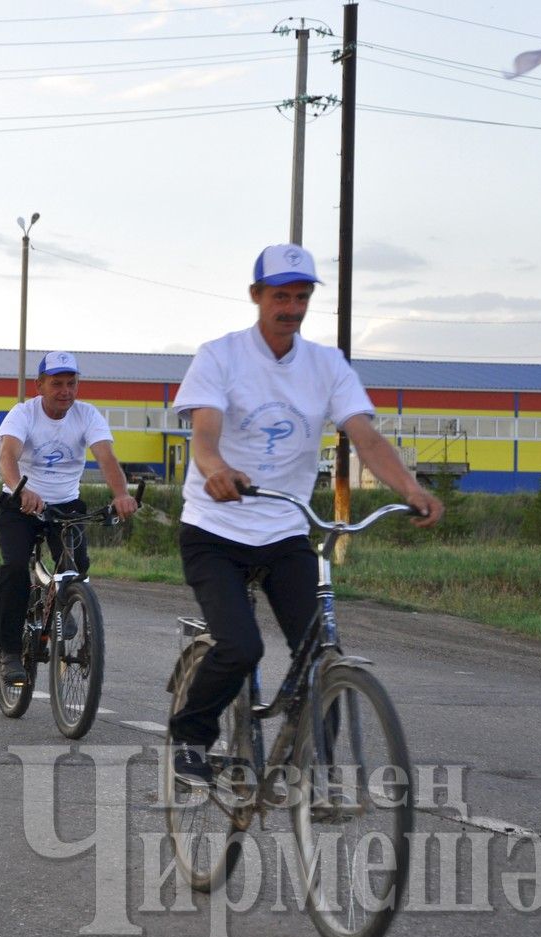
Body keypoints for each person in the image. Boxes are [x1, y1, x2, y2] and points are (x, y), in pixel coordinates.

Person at [166, 243, 444, 786]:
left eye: (301, 296)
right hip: (215, 529)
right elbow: (204, 433)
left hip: (284, 530)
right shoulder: (220, 356)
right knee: (242, 646)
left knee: (320, 655)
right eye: (280, 296)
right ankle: (192, 737)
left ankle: (315, 770)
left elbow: (364, 436)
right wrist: (216, 468)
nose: (290, 307)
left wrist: (411, 487)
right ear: (256, 296)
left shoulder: (326, 365)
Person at [0, 351, 140, 684]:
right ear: (39, 385)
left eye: (71, 384)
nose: (65, 391)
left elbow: (107, 459)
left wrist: (120, 495)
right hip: (21, 503)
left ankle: (59, 603)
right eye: (56, 384)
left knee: (76, 569)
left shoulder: (87, 415)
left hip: (65, 505)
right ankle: (10, 652)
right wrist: (19, 489)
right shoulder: (23, 414)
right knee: (15, 568)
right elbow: (7, 457)